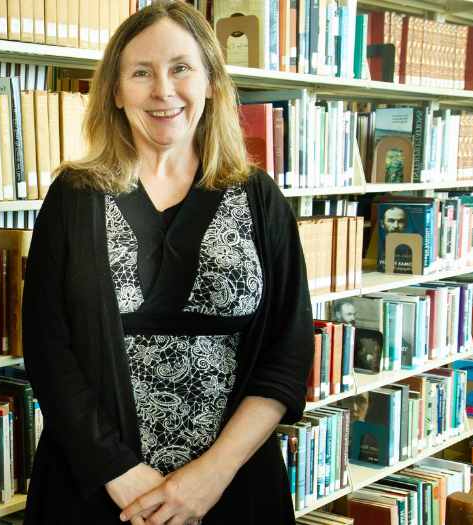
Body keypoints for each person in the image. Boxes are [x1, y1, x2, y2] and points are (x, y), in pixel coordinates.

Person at [21, 3, 315, 524]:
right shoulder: (73, 196)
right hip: (94, 491)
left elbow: (287, 353)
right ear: (114, 91)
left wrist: (211, 476)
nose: (163, 90)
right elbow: (48, 350)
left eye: (181, 68)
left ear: (211, 83)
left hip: (233, 489)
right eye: (141, 72)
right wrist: (119, 472)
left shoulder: (259, 197)